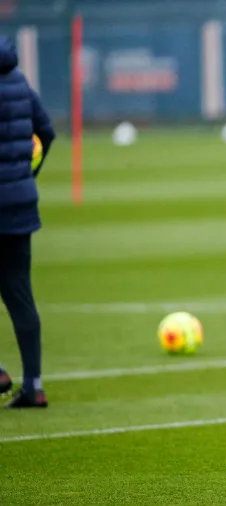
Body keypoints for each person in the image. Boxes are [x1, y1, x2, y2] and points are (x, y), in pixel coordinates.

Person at [0, 35, 55, 408]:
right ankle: (33, 385)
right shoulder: (17, 78)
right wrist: (27, 176)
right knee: (20, 294)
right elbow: (46, 132)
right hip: (21, 204)